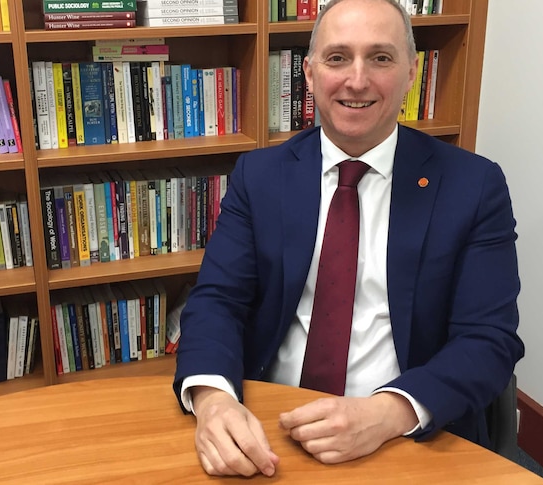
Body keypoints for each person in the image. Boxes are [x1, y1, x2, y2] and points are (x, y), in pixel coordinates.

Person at [172, 0, 524, 478]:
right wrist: (214, 401)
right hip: (273, 429)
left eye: (381, 58)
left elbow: (488, 339)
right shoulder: (260, 175)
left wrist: (388, 412)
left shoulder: (473, 186)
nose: (357, 81)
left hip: (406, 435)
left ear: (411, 73)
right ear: (311, 74)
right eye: (338, 58)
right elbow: (217, 301)